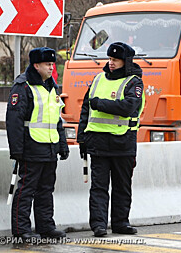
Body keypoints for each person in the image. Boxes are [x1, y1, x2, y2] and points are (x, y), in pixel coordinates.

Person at [77, 42, 145, 237]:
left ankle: (120, 223)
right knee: (99, 187)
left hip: (123, 142)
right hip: (98, 142)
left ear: (126, 61)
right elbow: (85, 110)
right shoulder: (98, 79)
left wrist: (100, 104)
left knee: (122, 186)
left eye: (115, 60)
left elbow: (128, 106)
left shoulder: (134, 82)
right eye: (110, 59)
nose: (111, 63)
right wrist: (82, 138)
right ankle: (98, 225)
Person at [6, 47, 69, 241]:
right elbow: (14, 120)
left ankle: (46, 227)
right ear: (36, 65)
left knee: (46, 190)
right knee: (26, 190)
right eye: (48, 64)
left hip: (49, 146)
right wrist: (16, 149)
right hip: (31, 145)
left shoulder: (51, 86)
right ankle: (21, 229)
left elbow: (56, 118)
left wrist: (62, 144)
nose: (52, 68)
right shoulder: (23, 86)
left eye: (53, 64)